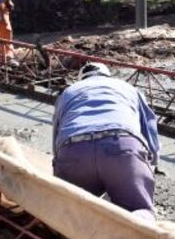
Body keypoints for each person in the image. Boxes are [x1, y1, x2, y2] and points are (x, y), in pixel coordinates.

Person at [52, 62, 160, 220]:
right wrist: (152, 161)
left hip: (74, 151)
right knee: (138, 211)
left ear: (81, 78)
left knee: (71, 214)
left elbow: (57, 131)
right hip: (122, 147)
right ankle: (140, 225)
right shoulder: (128, 88)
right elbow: (149, 128)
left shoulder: (68, 92)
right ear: (107, 75)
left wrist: (60, 162)